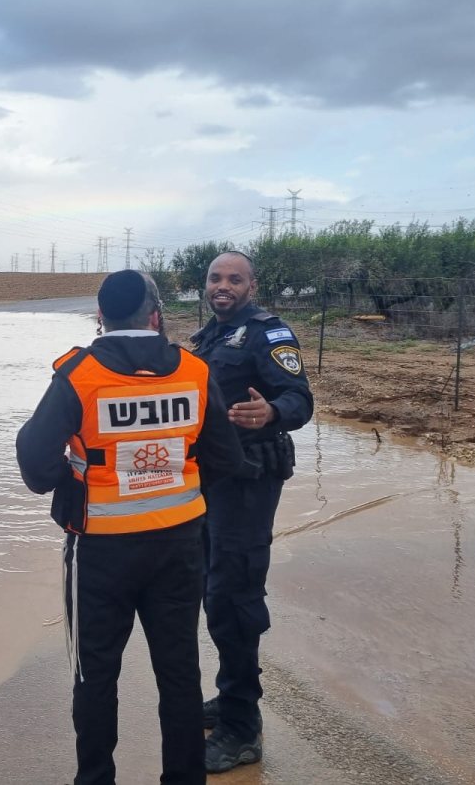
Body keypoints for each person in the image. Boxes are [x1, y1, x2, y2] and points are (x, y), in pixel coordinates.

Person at [16, 269, 259, 785]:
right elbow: (223, 459)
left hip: (100, 554)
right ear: (155, 316)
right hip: (180, 548)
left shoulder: (77, 374)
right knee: (179, 675)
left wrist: (76, 475)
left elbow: (35, 465)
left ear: (101, 317)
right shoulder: (194, 372)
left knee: (95, 675)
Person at [189, 251, 314, 774]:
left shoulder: (269, 333)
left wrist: (273, 412)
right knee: (213, 592)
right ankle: (232, 695)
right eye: (216, 278)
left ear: (251, 285)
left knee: (234, 596)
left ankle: (242, 730)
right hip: (213, 481)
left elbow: (300, 399)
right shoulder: (210, 335)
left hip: (249, 481)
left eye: (234, 279)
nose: (223, 286)